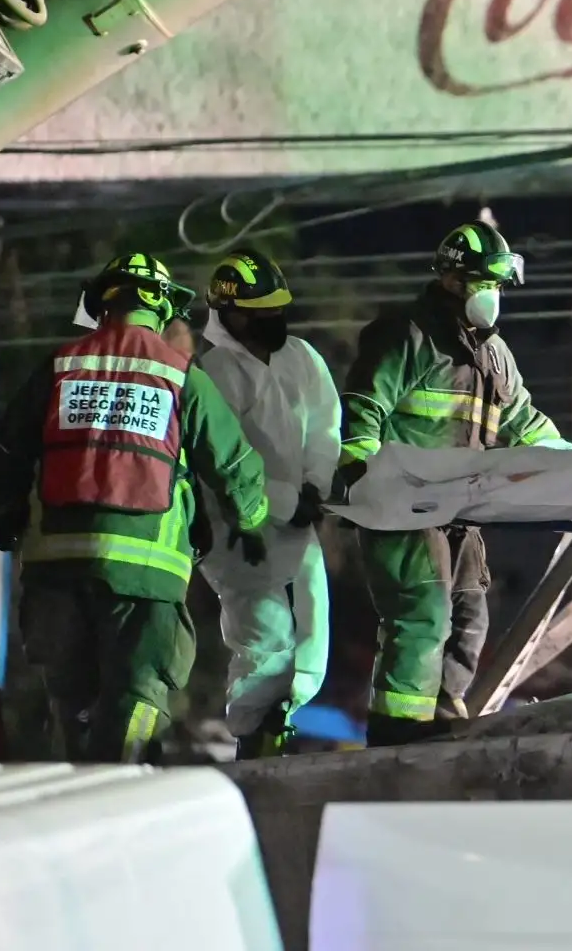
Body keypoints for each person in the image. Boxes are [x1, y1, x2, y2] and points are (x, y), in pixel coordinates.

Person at [0, 252, 271, 763]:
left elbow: (2, 457)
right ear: (163, 308)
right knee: (140, 693)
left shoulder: (60, 366)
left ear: (102, 304)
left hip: (55, 573)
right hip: (145, 579)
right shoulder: (180, 375)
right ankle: (116, 788)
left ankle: (72, 792)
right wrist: (253, 522)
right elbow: (236, 466)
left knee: (69, 702)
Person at [333, 220, 572, 745]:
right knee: (423, 612)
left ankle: (443, 715)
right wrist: (363, 476)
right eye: (482, 284)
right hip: (403, 505)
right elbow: (362, 413)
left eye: (497, 286)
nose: (491, 296)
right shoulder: (406, 336)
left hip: (461, 512)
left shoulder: (494, 354)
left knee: (468, 615)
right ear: (450, 280)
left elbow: (524, 423)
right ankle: (398, 729)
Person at [195, 249, 340, 760]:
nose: (273, 319)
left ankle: (279, 723)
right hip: (237, 530)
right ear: (229, 314)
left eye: (277, 308)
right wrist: (283, 500)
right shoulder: (214, 372)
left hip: (298, 522)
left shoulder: (302, 358)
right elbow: (223, 460)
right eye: (260, 312)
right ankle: (254, 742)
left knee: (312, 636)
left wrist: (315, 486)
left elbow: (324, 428)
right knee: (265, 640)